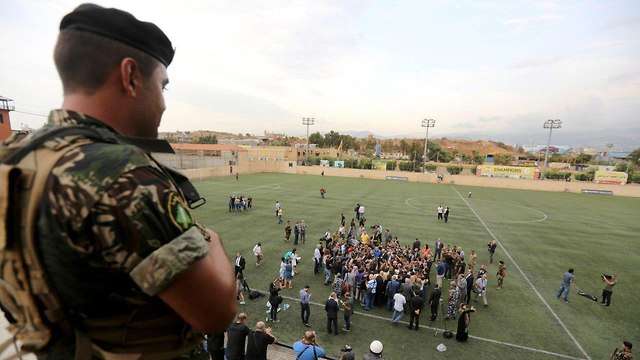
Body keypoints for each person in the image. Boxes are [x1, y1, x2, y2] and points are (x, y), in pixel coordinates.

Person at [0, 5, 238, 358]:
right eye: (162, 86)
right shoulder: (123, 174)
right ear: (130, 76)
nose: (162, 104)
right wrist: (211, 239)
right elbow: (216, 312)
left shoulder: (11, 154)